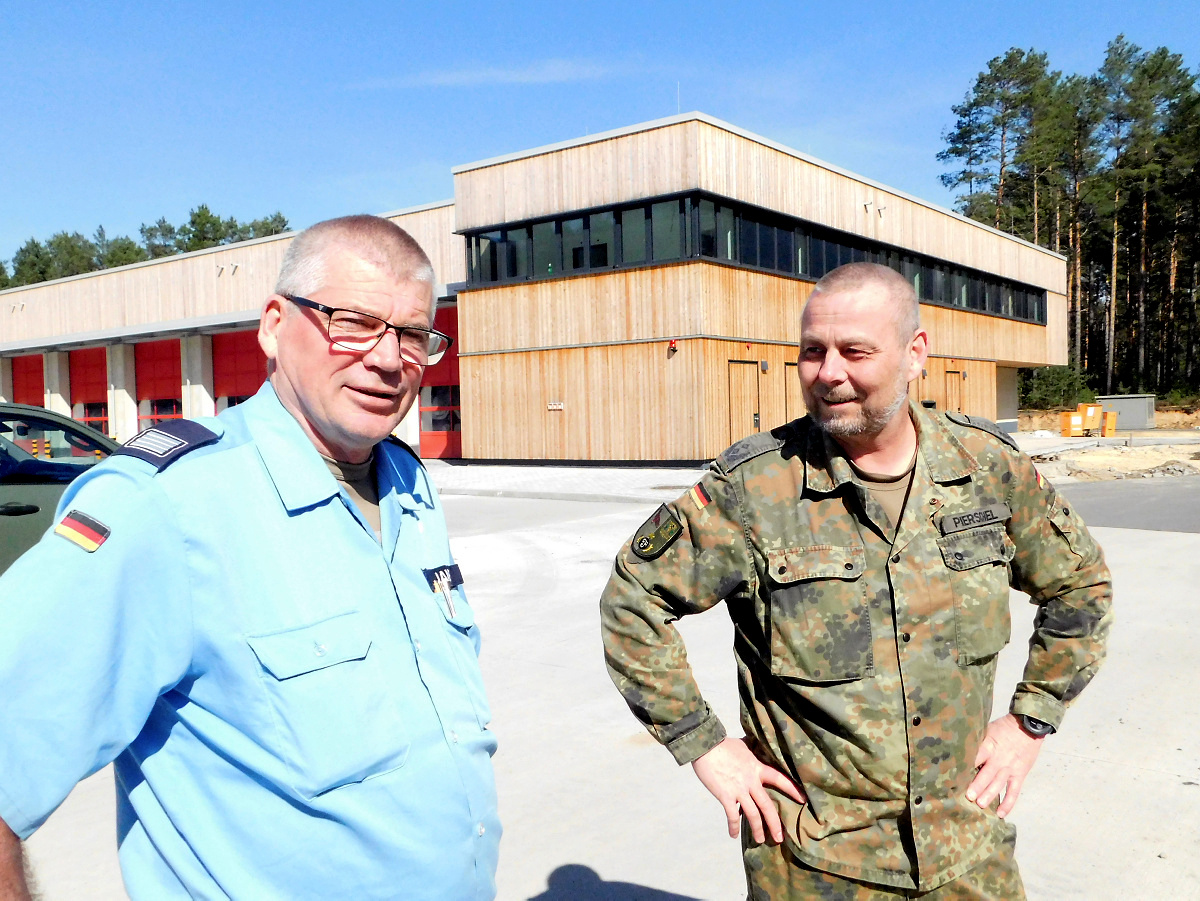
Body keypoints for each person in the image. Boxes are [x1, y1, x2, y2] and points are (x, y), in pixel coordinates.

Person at [0, 215, 499, 900]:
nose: (388, 360)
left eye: (412, 336)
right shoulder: (168, 508)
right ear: (271, 324)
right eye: (352, 321)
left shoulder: (408, 485)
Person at [600, 262, 1112, 899]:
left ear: (914, 354)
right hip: (817, 865)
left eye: (855, 351)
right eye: (812, 352)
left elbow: (1081, 585)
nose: (829, 373)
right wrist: (701, 743)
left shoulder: (988, 468)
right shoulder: (754, 488)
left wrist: (1031, 721)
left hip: (966, 851)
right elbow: (633, 601)